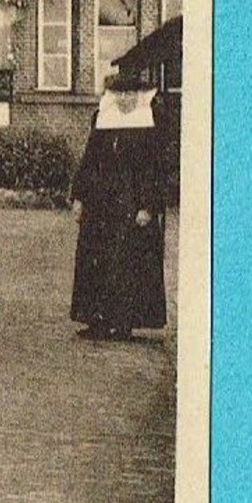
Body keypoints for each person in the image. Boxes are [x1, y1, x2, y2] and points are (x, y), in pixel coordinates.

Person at [69, 69, 171, 341]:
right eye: (119, 93)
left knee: (126, 262)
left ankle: (124, 322)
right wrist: (79, 197)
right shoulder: (102, 121)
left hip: (131, 201)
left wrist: (148, 206)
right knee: (97, 259)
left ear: (138, 96)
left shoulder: (149, 126)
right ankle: (97, 319)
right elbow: (89, 161)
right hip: (100, 203)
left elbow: (155, 169)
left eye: (130, 94)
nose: (124, 99)